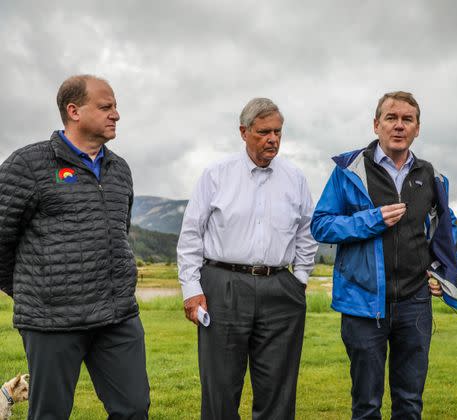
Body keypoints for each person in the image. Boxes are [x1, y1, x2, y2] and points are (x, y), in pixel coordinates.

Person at [0, 75, 150, 419]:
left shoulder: (120, 170)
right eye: (106, 106)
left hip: (116, 317)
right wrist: (31, 291)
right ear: (74, 111)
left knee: (134, 409)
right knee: (50, 413)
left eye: (115, 106)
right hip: (52, 321)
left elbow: (118, 233)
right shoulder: (28, 165)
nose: (116, 114)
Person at [311, 91, 457, 419]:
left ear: (417, 128)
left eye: (408, 119)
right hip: (363, 304)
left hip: (414, 304)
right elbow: (321, 226)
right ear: (376, 124)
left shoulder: (429, 175)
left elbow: (445, 228)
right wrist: (371, 220)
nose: (399, 125)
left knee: (409, 403)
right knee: (366, 404)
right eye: (391, 118)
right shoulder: (349, 170)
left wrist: (439, 270)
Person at [177, 98, 318, 420]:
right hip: (222, 285)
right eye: (264, 132)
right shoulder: (216, 174)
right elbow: (190, 235)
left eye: (278, 132)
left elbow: (307, 231)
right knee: (221, 388)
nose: (273, 139)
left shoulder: (294, 177)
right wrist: (191, 288)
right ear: (244, 132)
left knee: (278, 389)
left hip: (281, 287)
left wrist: (300, 279)